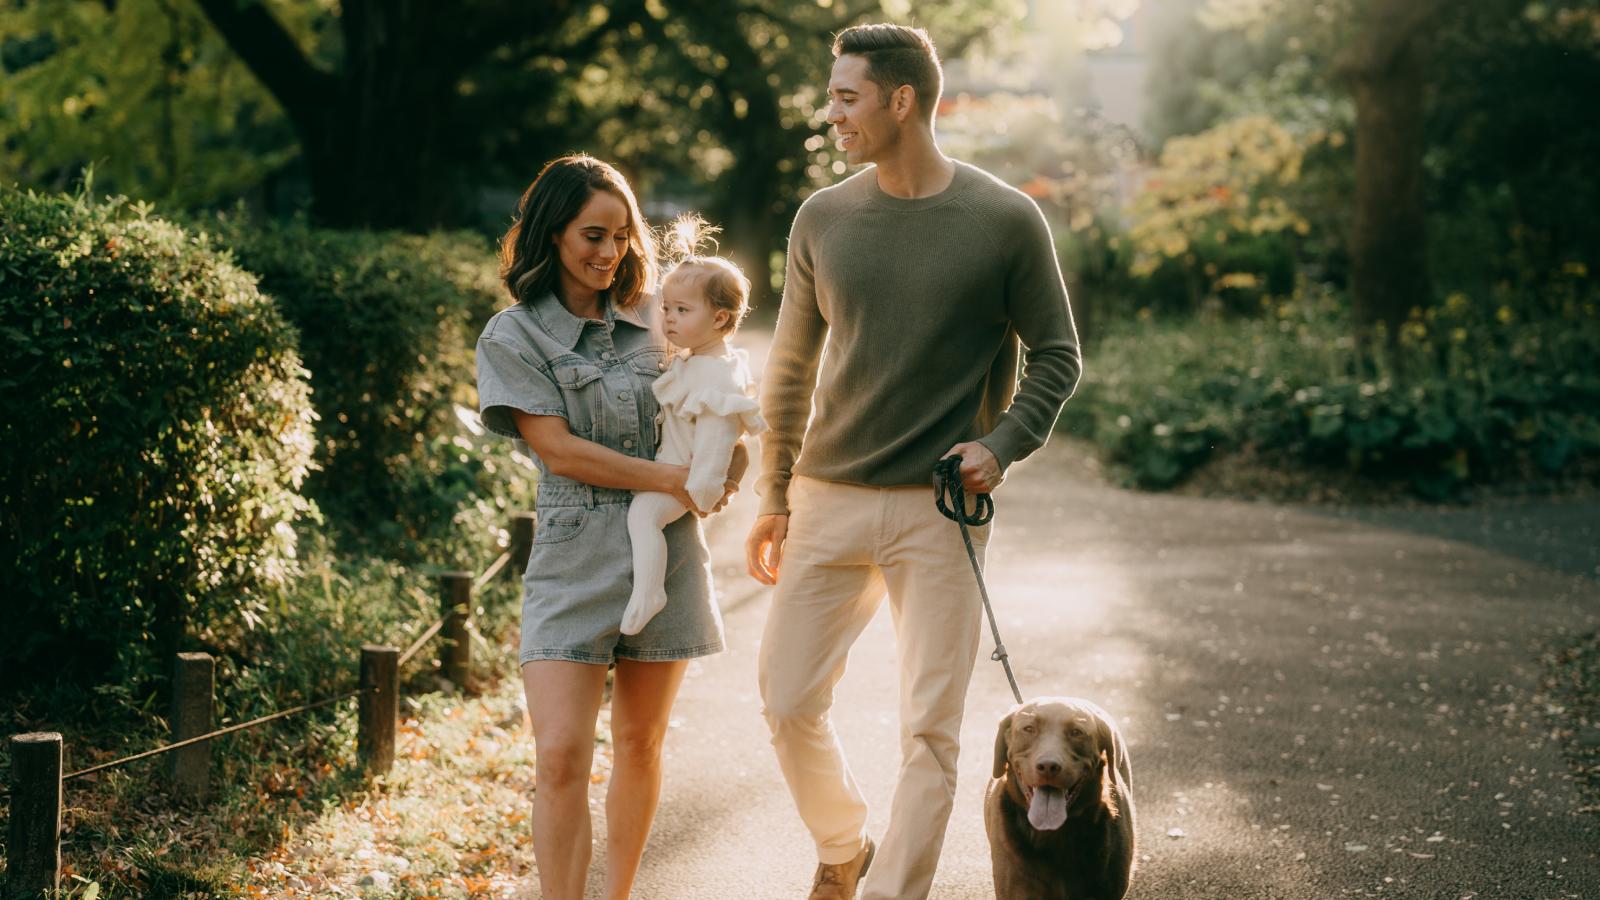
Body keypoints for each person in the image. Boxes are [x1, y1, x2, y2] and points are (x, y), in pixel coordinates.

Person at [745, 24, 1082, 900]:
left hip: (942, 515)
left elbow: (1058, 355)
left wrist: (1001, 444)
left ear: (901, 100)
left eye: (845, 97)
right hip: (827, 498)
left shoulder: (1005, 219)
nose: (831, 114)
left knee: (929, 732)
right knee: (786, 698)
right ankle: (843, 842)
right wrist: (774, 492)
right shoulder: (823, 218)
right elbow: (790, 366)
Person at [475, 155, 742, 900]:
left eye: (622, 236)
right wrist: (676, 480)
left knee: (640, 742)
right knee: (560, 754)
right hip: (574, 552)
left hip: (669, 549)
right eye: (593, 234)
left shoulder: (663, 317)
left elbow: (718, 390)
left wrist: (728, 467)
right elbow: (559, 451)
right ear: (552, 232)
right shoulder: (514, 336)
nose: (610, 251)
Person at [622, 220, 766, 636]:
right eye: (666, 308)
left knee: (643, 516)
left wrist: (703, 491)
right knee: (641, 515)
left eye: (682, 311)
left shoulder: (716, 374)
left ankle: (649, 592)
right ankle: (646, 589)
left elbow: (717, 440)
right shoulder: (698, 360)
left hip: (684, 478)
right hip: (673, 468)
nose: (668, 319)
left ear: (719, 318)